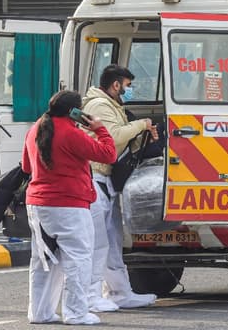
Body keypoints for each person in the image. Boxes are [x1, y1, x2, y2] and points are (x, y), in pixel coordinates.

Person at [22, 90, 116, 325]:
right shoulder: (72, 133)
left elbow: (26, 166)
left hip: (37, 206)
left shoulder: (35, 129)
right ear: (74, 111)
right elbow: (108, 154)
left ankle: (40, 313)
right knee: (78, 259)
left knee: (43, 260)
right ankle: (75, 313)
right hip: (69, 206)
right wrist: (99, 129)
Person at [82, 65, 159, 312]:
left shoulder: (113, 106)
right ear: (116, 85)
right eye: (128, 85)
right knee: (98, 243)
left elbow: (120, 143)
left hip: (106, 181)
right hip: (95, 179)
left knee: (112, 242)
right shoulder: (98, 105)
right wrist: (142, 124)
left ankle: (120, 293)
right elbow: (113, 136)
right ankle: (91, 296)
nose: (130, 90)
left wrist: (144, 135)